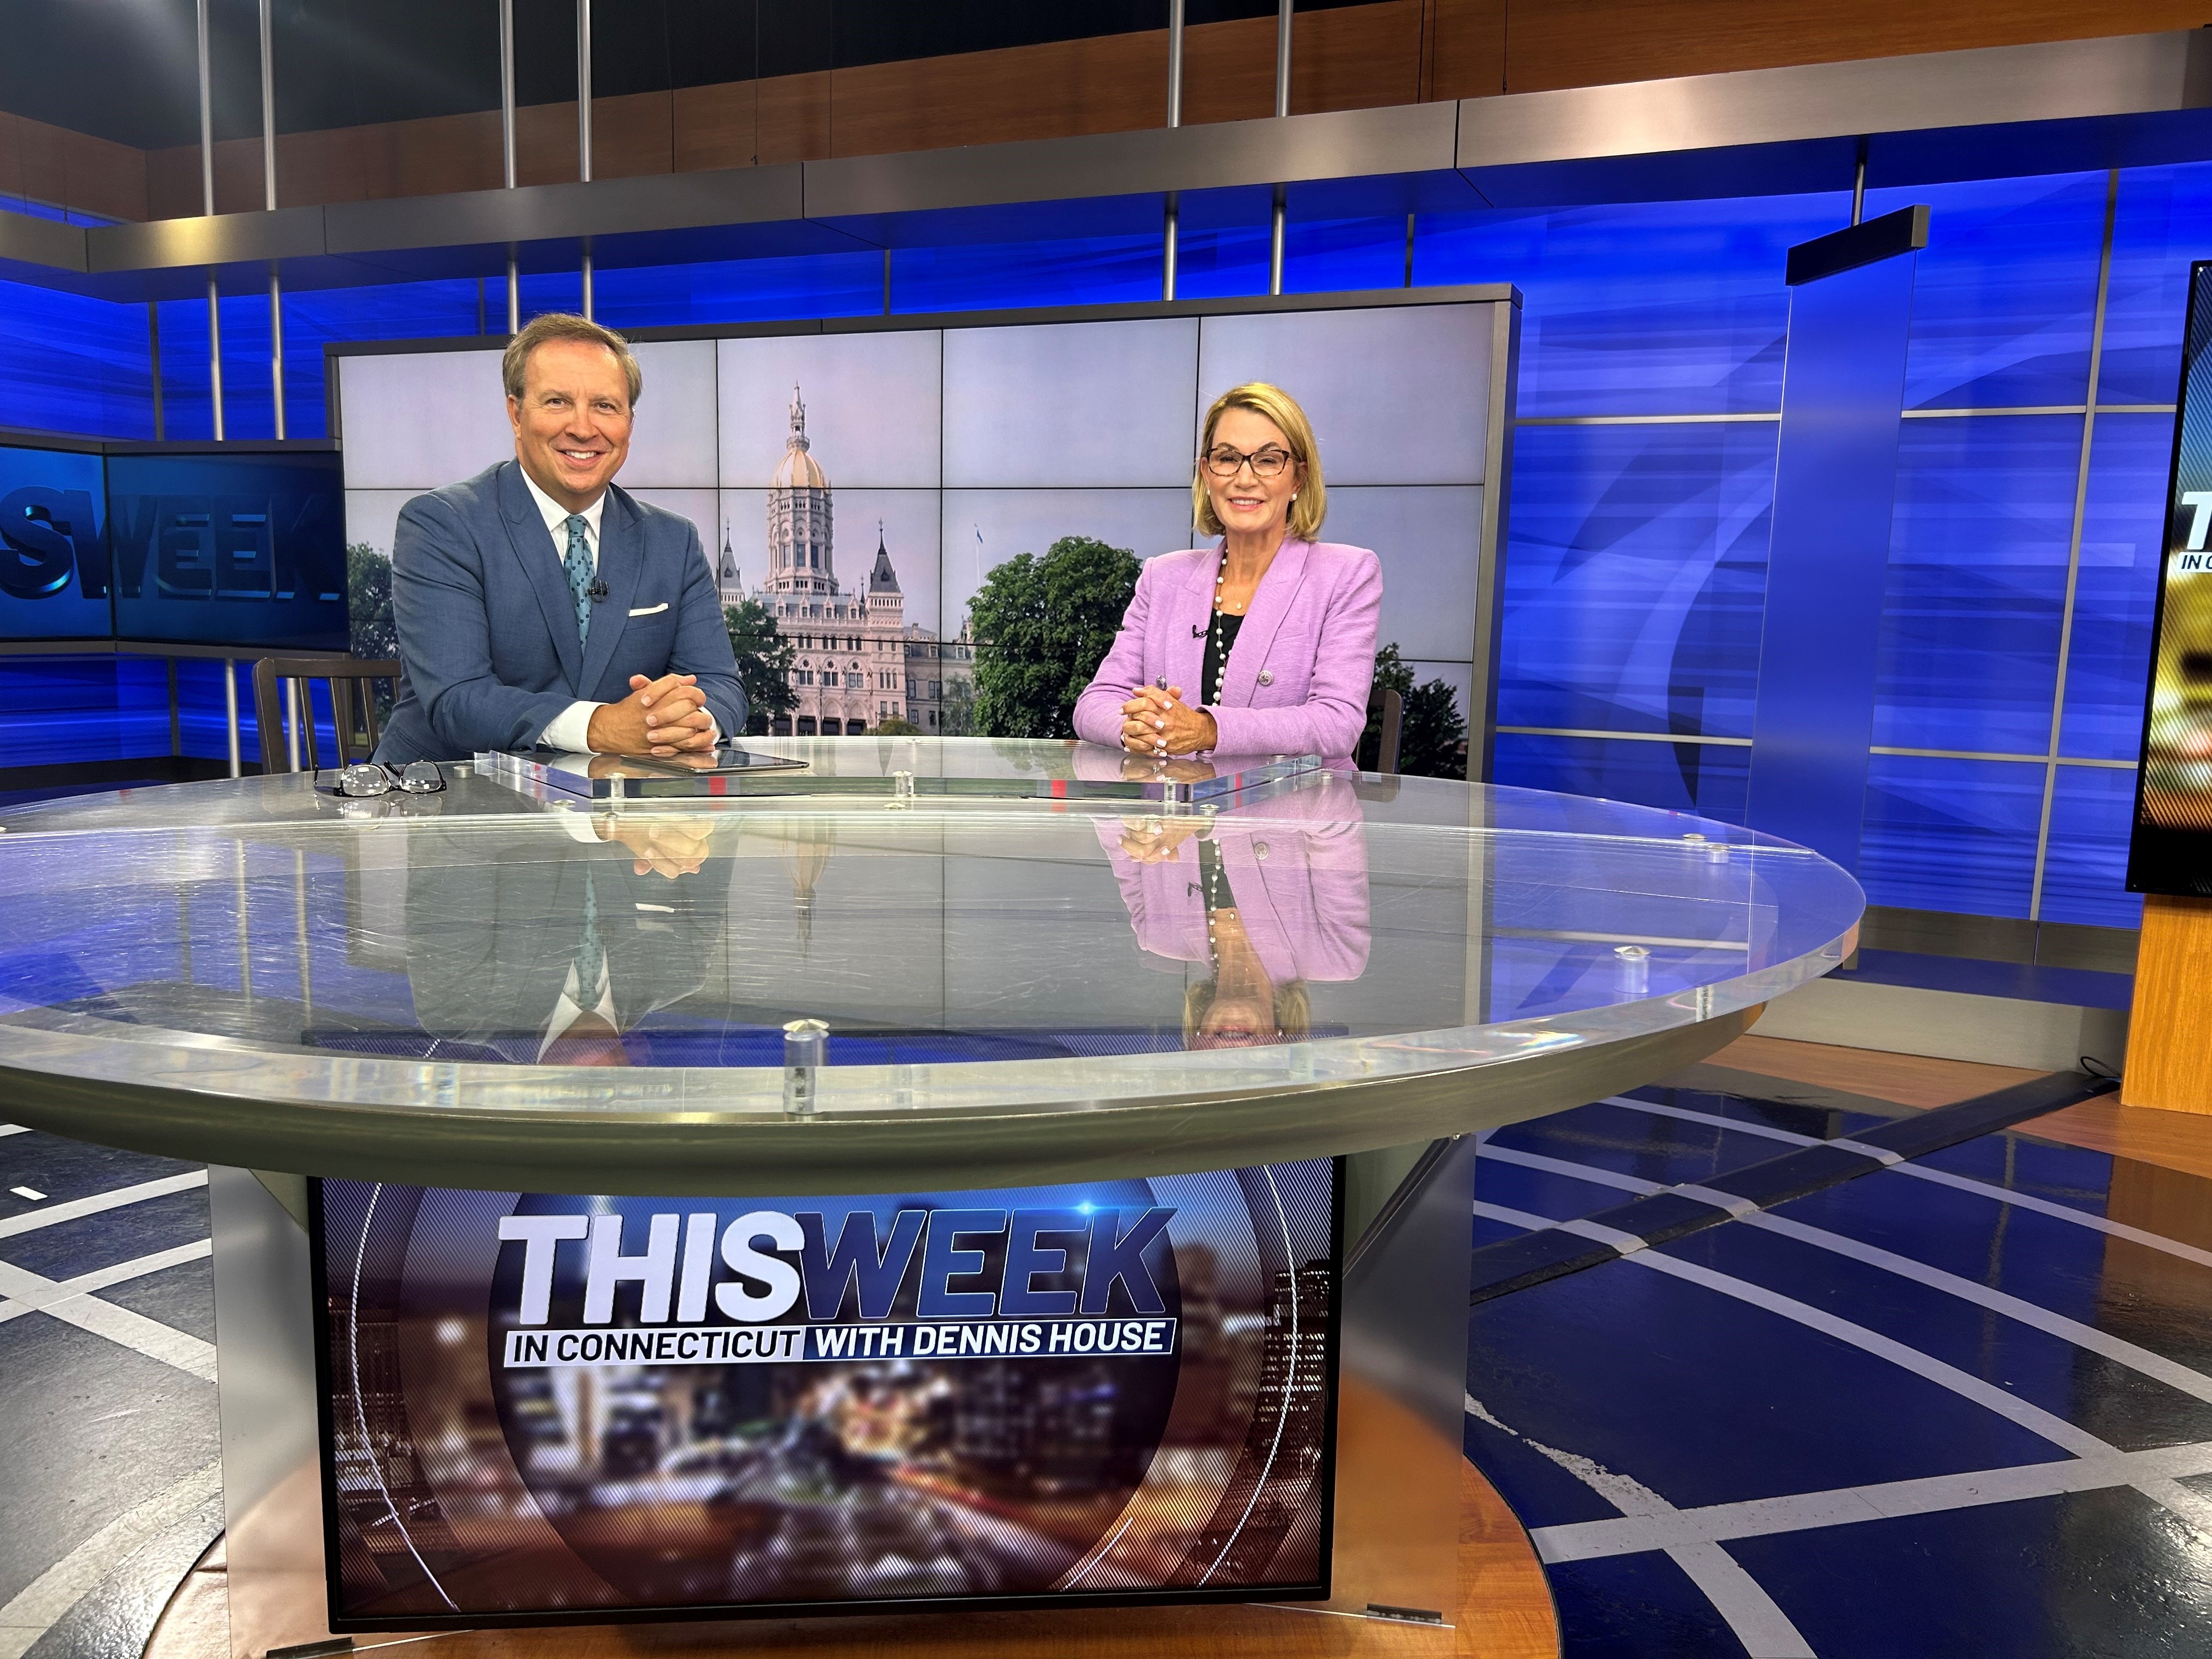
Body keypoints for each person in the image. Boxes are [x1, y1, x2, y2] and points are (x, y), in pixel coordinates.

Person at [373, 313, 747, 765]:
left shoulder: (674, 541)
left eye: (605, 406)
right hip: (449, 793)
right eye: (557, 402)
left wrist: (687, 723)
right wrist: (600, 726)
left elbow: (721, 685)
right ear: (516, 414)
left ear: (629, 422)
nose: (584, 429)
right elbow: (459, 699)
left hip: (615, 801)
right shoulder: (442, 524)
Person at [1073, 381, 1379, 761]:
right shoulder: (1162, 577)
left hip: (1299, 800)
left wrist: (1207, 730)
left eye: (1268, 460)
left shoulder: (1347, 574)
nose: (1244, 479)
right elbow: (1096, 702)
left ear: (1298, 478)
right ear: (1207, 473)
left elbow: (1336, 724)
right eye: (1228, 458)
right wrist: (1134, 728)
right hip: (1174, 799)